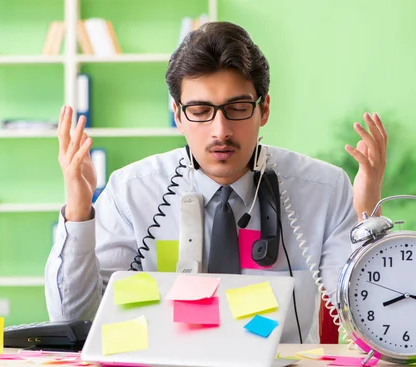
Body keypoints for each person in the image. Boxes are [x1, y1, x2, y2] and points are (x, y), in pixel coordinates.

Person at [44, 21, 387, 344]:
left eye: (237, 107)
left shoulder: (322, 189)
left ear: (263, 108)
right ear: (178, 115)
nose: (220, 130)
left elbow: (359, 314)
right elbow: (73, 319)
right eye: (200, 110)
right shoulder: (132, 190)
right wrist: (78, 208)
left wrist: (366, 212)